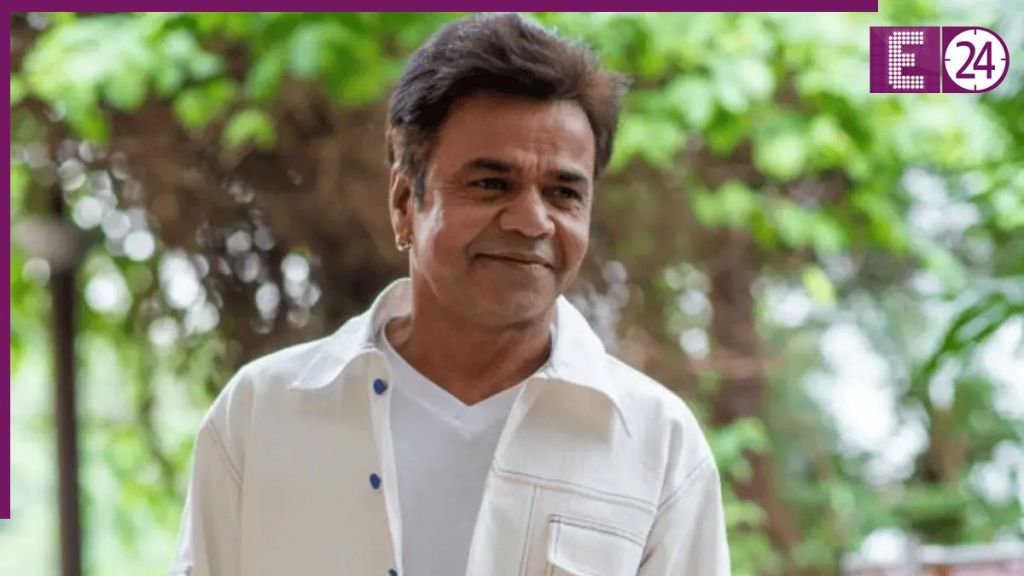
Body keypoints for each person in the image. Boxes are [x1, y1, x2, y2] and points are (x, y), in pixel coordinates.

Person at [171, 13, 730, 576]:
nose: (532, 221)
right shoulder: (262, 415)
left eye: (563, 193)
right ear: (403, 202)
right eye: (492, 184)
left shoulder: (658, 446)